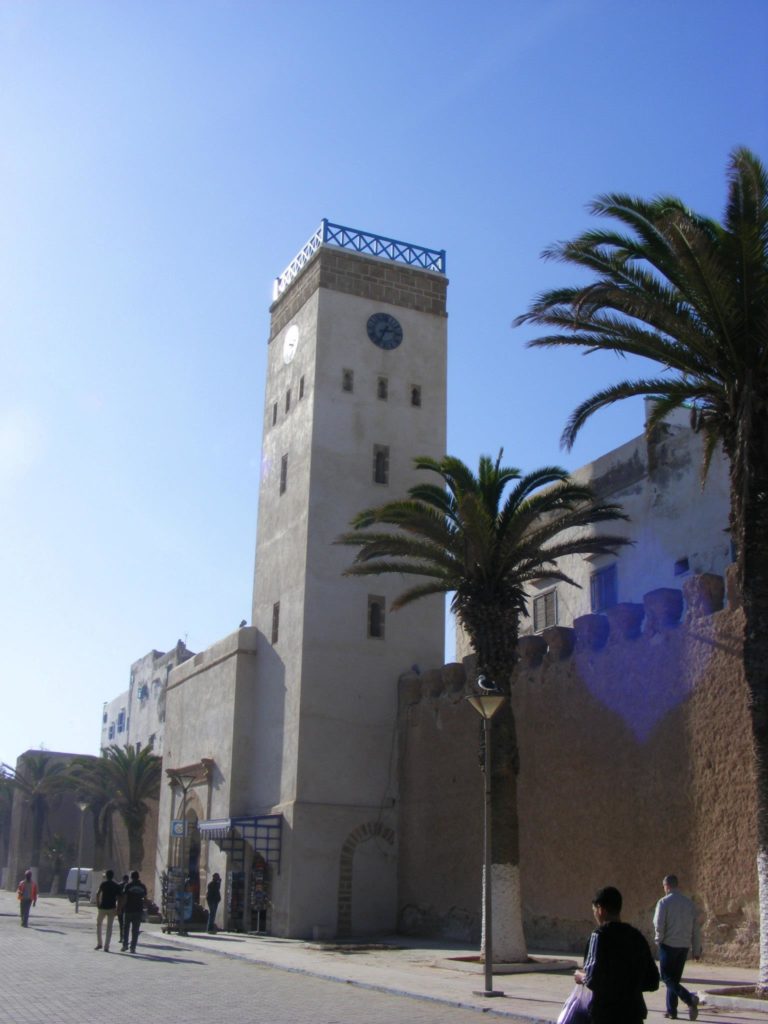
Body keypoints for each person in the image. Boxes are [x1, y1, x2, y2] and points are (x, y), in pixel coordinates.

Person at [575, 885, 659, 1024]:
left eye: (594, 910)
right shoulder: (636, 937)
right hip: (633, 1015)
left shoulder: (599, 936)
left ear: (601, 909)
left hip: (605, 1015)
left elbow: (592, 979)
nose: (595, 914)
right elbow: (652, 981)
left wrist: (580, 976)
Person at [654, 874, 702, 1020]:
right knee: (674, 979)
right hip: (683, 947)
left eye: (664, 887)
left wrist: (658, 939)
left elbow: (659, 923)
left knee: (667, 977)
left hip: (668, 945)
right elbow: (696, 929)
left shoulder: (663, 902)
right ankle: (671, 1011)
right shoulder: (689, 904)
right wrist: (696, 948)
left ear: (667, 886)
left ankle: (689, 999)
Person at [95, 869, 123, 952]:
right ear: (112, 876)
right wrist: (119, 908)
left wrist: (98, 904)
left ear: (106, 876)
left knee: (99, 924)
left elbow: (98, 893)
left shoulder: (103, 884)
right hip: (112, 908)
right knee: (109, 927)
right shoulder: (116, 885)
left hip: (103, 907)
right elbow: (120, 898)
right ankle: (106, 947)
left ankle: (99, 943)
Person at [121, 870, 148, 953]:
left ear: (131, 877)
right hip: (138, 910)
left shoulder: (128, 885)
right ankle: (133, 947)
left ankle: (125, 945)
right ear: (138, 877)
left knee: (126, 928)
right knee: (135, 930)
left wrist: (122, 907)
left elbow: (125, 897)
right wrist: (145, 906)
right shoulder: (142, 886)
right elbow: (145, 898)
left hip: (128, 909)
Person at [117, 873, 129, 944]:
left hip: (120, 905)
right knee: (126, 924)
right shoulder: (129, 886)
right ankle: (124, 937)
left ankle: (121, 937)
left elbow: (117, 897)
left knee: (121, 923)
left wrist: (118, 907)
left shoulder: (119, 885)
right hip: (127, 907)